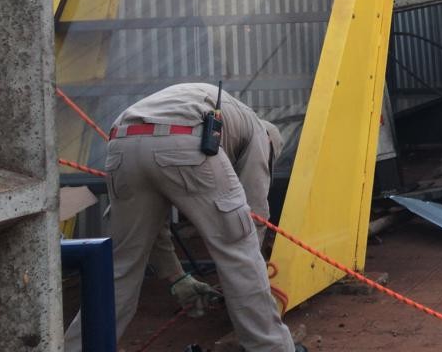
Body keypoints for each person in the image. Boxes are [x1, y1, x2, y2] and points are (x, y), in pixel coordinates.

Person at [64, 83, 303, 352]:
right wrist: (238, 281)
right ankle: (272, 347)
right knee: (239, 250)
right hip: (186, 137)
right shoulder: (260, 133)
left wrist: (177, 278)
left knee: (120, 268)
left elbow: (153, 229)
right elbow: (254, 216)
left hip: (122, 140)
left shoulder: (219, 111)